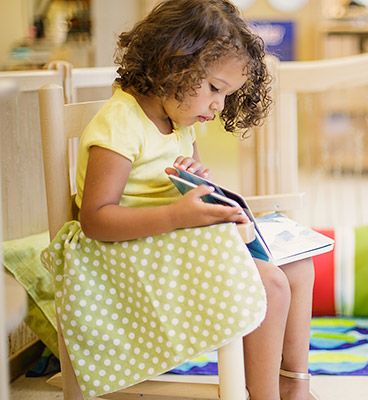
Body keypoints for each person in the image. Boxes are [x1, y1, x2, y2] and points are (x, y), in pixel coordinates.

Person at [41, 1, 316, 399]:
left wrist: (199, 185)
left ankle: (293, 383)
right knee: (271, 283)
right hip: (131, 258)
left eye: (227, 95)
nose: (219, 106)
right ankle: (264, 395)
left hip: (173, 243)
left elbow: (182, 191)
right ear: (173, 64)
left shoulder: (177, 123)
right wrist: (177, 214)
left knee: (299, 267)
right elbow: (96, 220)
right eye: (215, 90)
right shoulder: (121, 123)